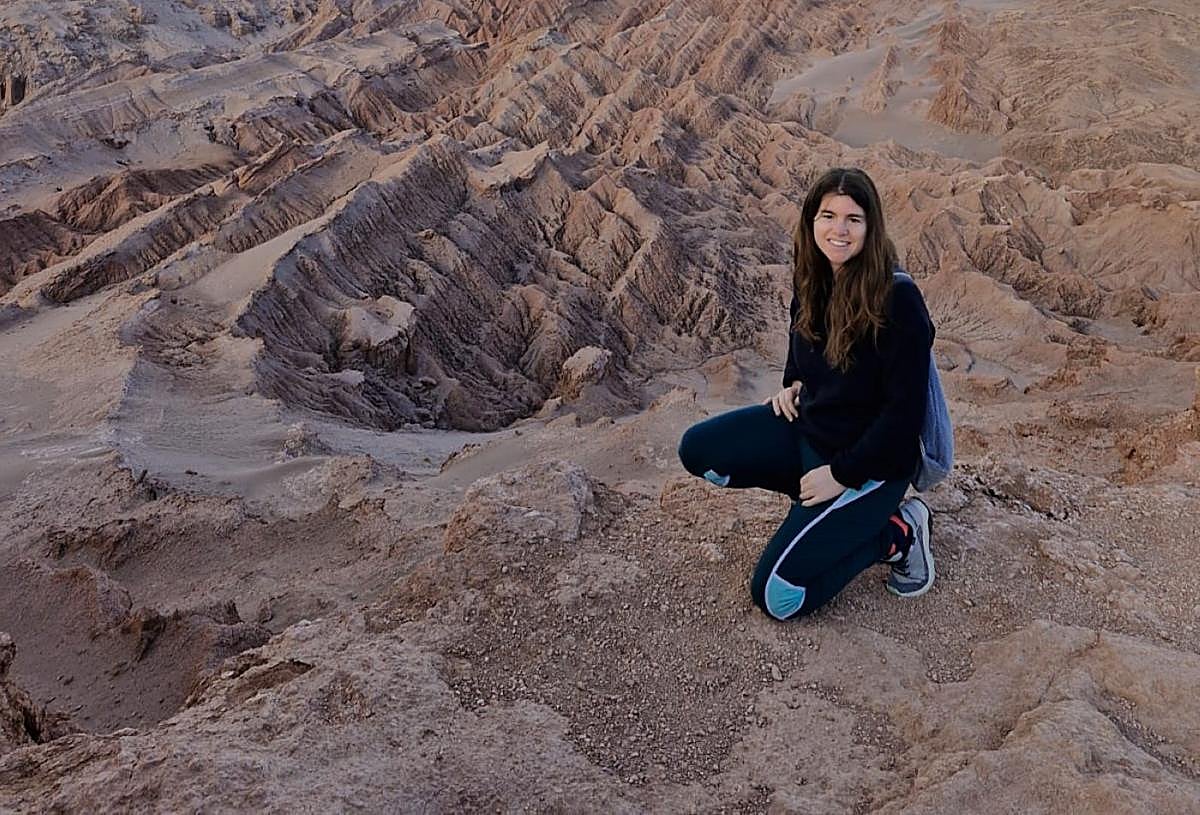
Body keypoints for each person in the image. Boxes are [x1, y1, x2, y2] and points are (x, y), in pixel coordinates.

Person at [677, 167, 935, 621]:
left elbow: (903, 417)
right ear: (811, 221)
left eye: (853, 219)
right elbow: (804, 346)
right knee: (699, 452)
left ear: (870, 227)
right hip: (810, 432)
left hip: (869, 466)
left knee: (777, 598)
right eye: (828, 215)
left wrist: (841, 474)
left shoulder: (898, 302)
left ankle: (896, 533)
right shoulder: (814, 276)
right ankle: (822, 520)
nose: (839, 230)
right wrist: (792, 383)